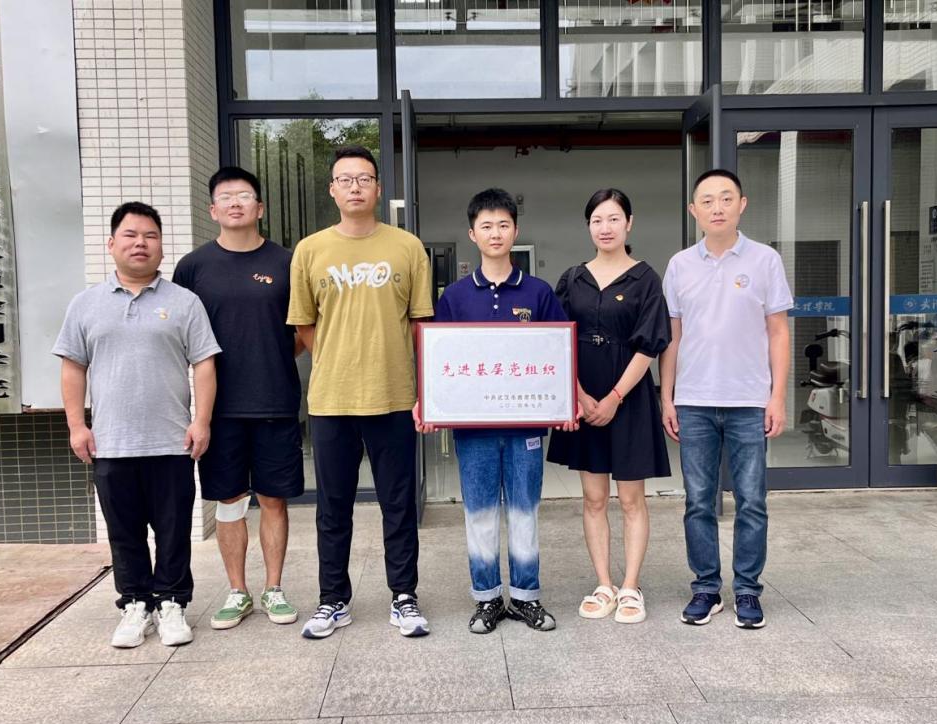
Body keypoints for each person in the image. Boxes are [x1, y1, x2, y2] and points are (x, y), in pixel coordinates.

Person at [53, 202, 221, 648]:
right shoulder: (85, 304)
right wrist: (77, 426)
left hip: (171, 440)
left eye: (150, 236)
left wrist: (201, 421)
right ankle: (135, 603)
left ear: (161, 246)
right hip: (111, 442)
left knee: (173, 530)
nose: (140, 243)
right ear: (112, 244)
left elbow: (204, 364)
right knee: (124, 531)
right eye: (130, 235)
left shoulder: (184, 302)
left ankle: (172, 602)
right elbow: (73, 367)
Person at [287, 145, 434, 640]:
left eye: (364, 178)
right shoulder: (310, 250)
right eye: (345, 179)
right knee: (333, 507)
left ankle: (404, 595)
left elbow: (420, 324)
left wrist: (422, 389)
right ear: (332, 189)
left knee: (399, 503)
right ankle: (333, 599)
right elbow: (304, 326)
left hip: (394, 396)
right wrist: (338, 359)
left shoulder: (407, 247)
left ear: (378, 188)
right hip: (332, 400)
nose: (355, 187)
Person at [416, 188, 569, 634]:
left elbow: (558, 353)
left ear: (515, 231)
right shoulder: (455, 297)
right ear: (472, 234)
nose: (495, 233)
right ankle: (487, 598)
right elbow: (441, 359)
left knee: (524, 512)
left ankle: (525, 597)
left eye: (503, 224)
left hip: (525, 426)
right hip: (474, 430)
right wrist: (427, 400)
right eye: (486, 226)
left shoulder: (539, 292)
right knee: (480, 514)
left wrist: (566, 401)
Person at [173, 167, 304, 630]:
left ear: (259, 207)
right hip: (219, 409)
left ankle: (273, 589)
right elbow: (183, 335)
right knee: (228, 502)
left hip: (275, 401)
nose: (235, 203)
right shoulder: (193, 267)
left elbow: (301, 330)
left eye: (244, 196)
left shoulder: (287, 262)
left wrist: (268, 355)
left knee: (273, 500)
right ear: (212, 210)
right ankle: (237, 591)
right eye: (226, 197)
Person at [660, 169, 792, 630]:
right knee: (698, 500)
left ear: (742, 204)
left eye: (726, 198)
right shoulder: (680, 265)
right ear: (693, 210)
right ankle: (706, 588)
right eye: (707, 200)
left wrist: (777, 397)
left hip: (748, 400)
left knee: (752, 500)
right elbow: (672, 337)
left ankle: (748, 590)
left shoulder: (765, 260)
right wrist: (667, 397)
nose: (717, 207)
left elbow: (778, 332)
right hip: (694, 400)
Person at [547, 189, 671, 625]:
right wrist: (580, 396)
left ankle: (631, 586)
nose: (605, 227)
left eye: (614, 219)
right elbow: (557, 339)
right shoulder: (573, 279)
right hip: (583, 394)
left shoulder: (646, 279)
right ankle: (604, 584)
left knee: (632, 499)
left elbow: (650, 345)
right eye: (597, 220)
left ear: (629, 224)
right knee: (594, 497)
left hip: (629, 396)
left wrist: (615, 397)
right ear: (588, 226)